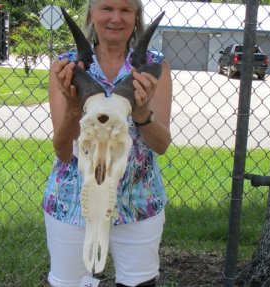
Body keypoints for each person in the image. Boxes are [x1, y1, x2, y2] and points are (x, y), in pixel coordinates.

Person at [42, 0, 172, 286]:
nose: (116, 18)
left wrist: (141, 113)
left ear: (136, 17)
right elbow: (64, 152)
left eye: (126, 10)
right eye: (107, 8)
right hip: (72, 199)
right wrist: (74, 109)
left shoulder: (154, 67)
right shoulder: (66, 68)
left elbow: (161, 145)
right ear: (92, 13)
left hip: (139, 199)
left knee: (139, 282)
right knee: (67, 282)